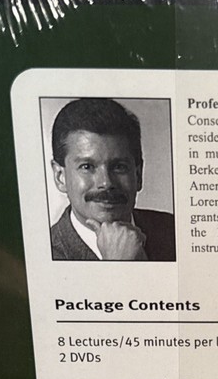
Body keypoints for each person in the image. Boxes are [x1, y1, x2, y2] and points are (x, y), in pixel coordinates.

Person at [49, 98, 176, 261]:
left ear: (138, 175)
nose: (106, 183)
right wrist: (118, 263)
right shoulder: (42, 255)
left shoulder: (174, 231)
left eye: (119, 167)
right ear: (60, 177)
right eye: (87, 166)